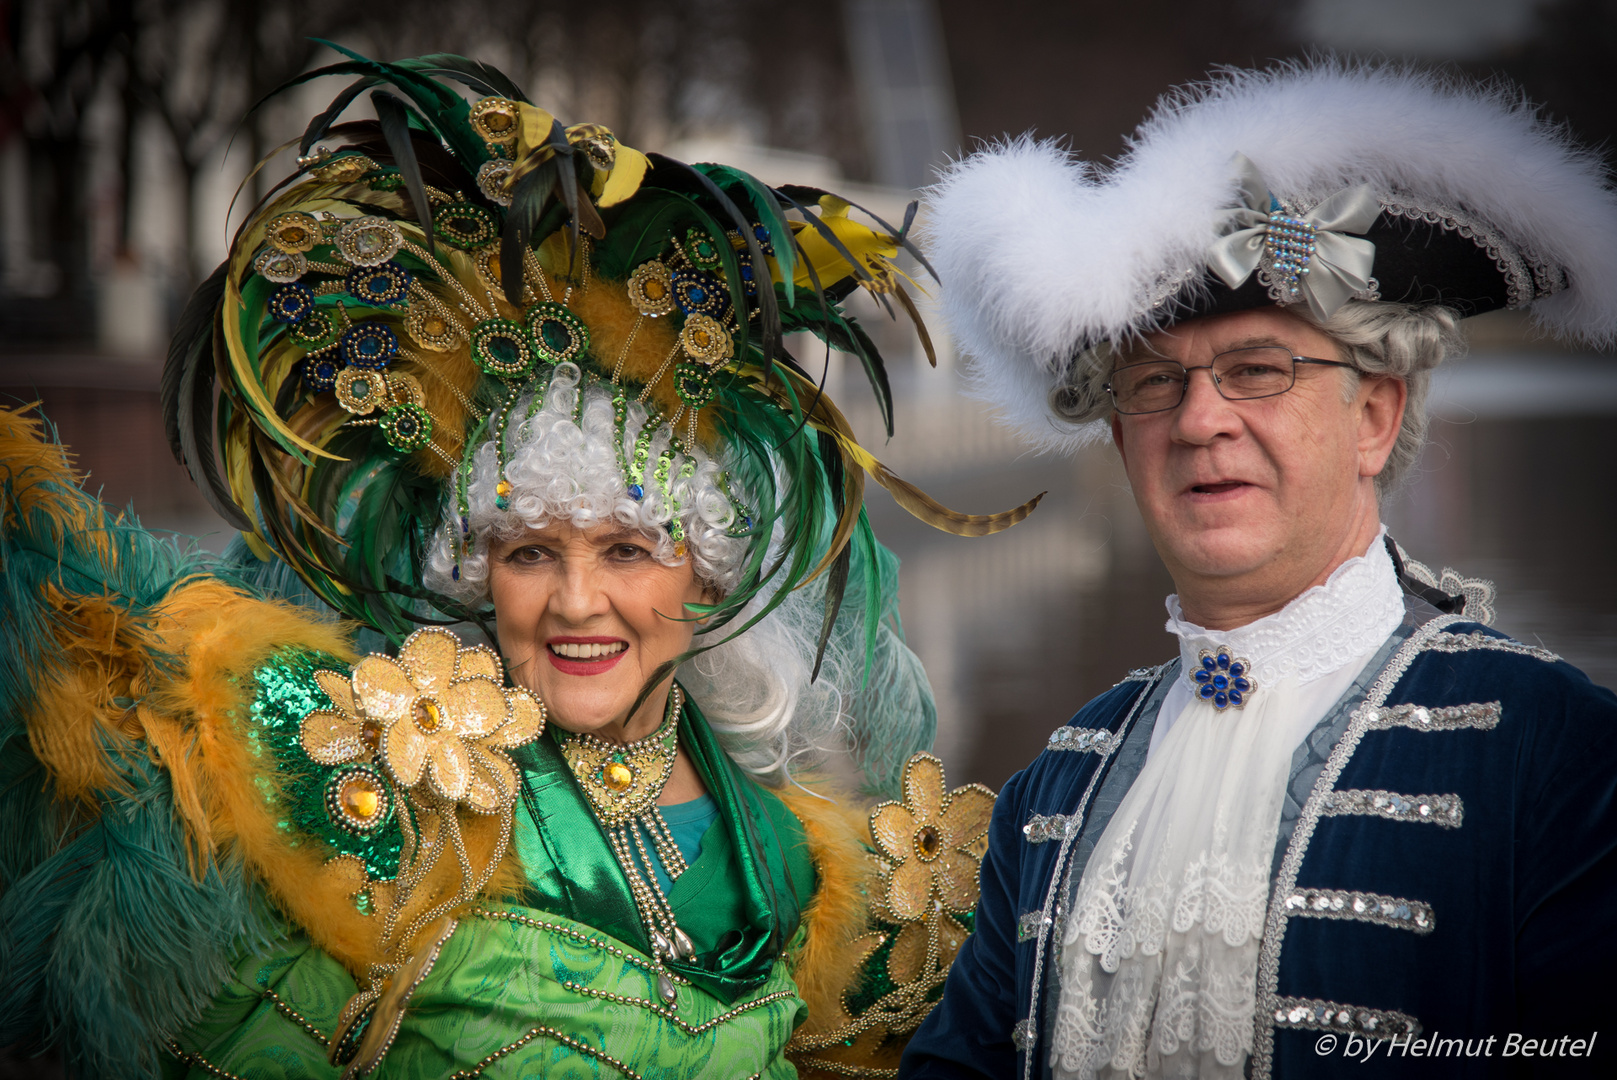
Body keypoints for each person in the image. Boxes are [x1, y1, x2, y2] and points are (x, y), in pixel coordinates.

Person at [0, 51, 1037, 1079]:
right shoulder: (379, 799)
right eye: (532, 551)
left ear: (706, 577)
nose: (578, 601)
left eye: (629, 549)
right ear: (475, 577)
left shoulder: (802, 865)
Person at [903, 62, 1617, 1080]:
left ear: (1375, 417)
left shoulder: (1557, 757)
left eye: (1258, 370)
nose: (1200, 421)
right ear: (1117, 437)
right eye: (1155, 383)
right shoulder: (1051, 788)